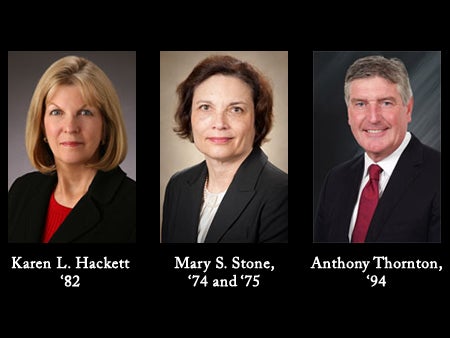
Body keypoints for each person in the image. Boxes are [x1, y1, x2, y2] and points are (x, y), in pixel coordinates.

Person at [8, 55, 136, 243]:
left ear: (106, 126)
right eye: (56, 112)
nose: (70, 127)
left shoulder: (132, 205)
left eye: (85, 112)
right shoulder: (21, 191)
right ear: (42, 125)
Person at [161, 54, 288, 243]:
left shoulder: (281, 193)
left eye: (235, 109)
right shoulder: (178, 185)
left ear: (257, 119)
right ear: (189, 116)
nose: (219, 124)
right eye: (205, 107)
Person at [314, 55, 440, 243]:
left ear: (408, 109)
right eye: (361, 104)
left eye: (386, 103)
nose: (373, 118)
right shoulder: (336, 180)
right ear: (349, 114)